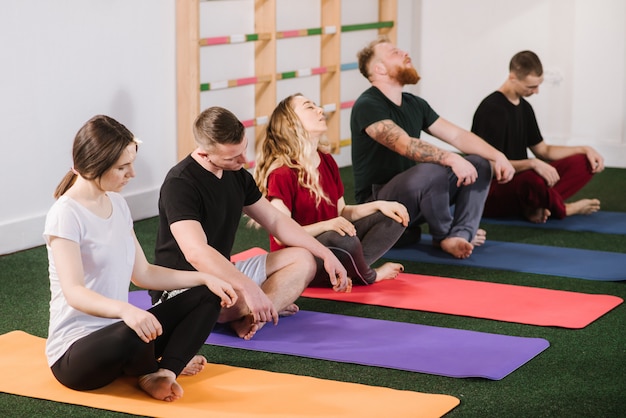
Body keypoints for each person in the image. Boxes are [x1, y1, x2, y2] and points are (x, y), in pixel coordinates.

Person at [44, 115, 238, 402]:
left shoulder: (118, 204)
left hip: (124, 332)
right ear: (95, 165)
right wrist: (126, 311)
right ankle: (149, 367)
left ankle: (165, 372)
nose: (131, 174)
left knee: (207, 294)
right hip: (76, 354)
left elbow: (143, 273)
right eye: (122, 167)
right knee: (133, 331)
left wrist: (205, 277)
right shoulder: (65, 215)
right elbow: (74, 293)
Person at [152, 106, 349, 341]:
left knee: (304, 259)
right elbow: (196, 252)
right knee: (238, 296)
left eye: (244, 150)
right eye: (232, 157)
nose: (244, 161)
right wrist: (249, 288)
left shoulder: (237, 174)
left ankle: (253, 314)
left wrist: (325, 254)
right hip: (185, 287)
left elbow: (276, 220)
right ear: (204, 153)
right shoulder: (180, 184)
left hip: (225, 273)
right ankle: (262, 306)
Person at [350, 36, 515, 259]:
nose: (404, 53)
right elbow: (404, 144)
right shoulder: (367, 105)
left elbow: (457, 135)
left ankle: (461, 234)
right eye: (394, 53)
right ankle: (444, 235)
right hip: (378, 205)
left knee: (479, 163)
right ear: (378, 69)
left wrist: (498, 156)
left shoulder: (415, 104)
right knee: (433, 168)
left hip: (414, 198)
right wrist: (451, 158)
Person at [254, 93, 409, 286]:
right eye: (310, 107)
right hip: (301, 259)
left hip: (333, 247)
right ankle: (368, 275)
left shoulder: (326, 160)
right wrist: (327, 225)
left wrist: (379, 205)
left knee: (393, 216)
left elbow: (342, 212)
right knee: (343, 238)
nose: (320, 110)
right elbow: (280, 235)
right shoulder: (282, 173)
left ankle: (349, 270)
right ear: (291, 124)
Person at [471, 50, 604, 223]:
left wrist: (585, 149)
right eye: (531, 87)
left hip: (521, 182)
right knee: (531, 180)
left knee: (583, 162)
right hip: (491, 190)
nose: (537, 92)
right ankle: (563, 208)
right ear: (512, 78)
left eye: (538, 85)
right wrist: (531, 163)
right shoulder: (491, 109)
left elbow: (543, 150)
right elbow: (487, 165)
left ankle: (537, 205)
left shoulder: (525, 108)